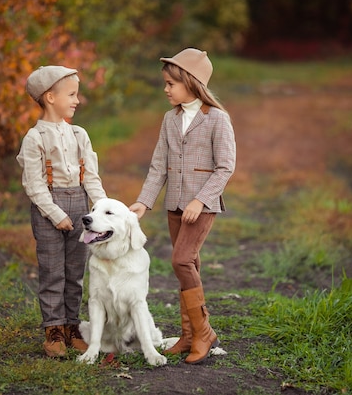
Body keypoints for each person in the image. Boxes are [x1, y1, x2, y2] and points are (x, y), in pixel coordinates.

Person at [129, 48, 236, 364]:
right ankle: (189, 335)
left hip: (200, 206)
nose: (166, 89)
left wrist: (201, 200)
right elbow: (158, 165)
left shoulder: (217, 119)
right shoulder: (169, 119)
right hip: (173, 205)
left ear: (191, 83)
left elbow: (225, 166)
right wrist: (144, 202)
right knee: (188, 266)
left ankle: (204, 333)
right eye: (165, 83)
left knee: (181, 260)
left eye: (171, 84)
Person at [16, 65, 107, 358]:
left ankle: (71, 327)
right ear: (50, 97)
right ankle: (53, 330)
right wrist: (56, 214)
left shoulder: (79, 134)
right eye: (71, 95)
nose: (77, 100)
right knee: (52, 271)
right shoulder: (35, 138)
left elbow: (91, 177)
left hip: (80, 205)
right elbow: (34, 184)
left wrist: (103, 209)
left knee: (75, 271)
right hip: (49, 210)